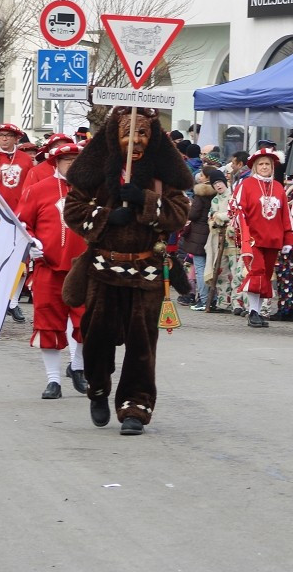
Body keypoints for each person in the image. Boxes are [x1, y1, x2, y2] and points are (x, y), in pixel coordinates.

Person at [62, 107, 193, 434]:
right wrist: (106, 217)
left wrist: (146, 200)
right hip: (103, 270)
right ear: (113, 136)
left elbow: (179, 213)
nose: (135, 140)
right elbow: (73, 211)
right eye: (128, 133)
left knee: (142, 345)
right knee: (96, 338)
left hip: (146, 272)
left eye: (143, 134)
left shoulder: (163, 177)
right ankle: (98, 389)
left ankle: (135, 406)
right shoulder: (93, 175)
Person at [16, 142, 88, 400]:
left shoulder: (93, 190)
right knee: (48, 323)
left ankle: (77, 366)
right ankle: (53, 380)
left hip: (84, 269)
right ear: (55, 163)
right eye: (66, 159)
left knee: (86, 322)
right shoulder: (37, 190)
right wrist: (31, 242)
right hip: (48, 267)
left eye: (75, 159)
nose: (71, 164)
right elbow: (23, 222)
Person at [0, 123, 35, 323]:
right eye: (1, 135)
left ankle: (12, 302)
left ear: (16, 138)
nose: (4, 139)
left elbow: (32, 188)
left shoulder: (26, 160)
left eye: (9, 135)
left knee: (21, 262)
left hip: (20, 218)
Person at [230, 148, 293, 327]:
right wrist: (243, 235)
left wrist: (288, 239)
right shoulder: (246, 185)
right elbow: (237, 210)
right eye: (261, 164)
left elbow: (285, 216)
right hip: (253, 240)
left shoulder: (279, 187)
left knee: (265, 276)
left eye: (268, 164)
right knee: (256, 273)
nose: (265, 167)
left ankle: (256, 313)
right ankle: (253, 312)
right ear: (255, 167)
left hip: (273, 240)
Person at [203, 169, 242, 313]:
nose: (218, 186)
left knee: (236, 272)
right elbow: (211, 217)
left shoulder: (234, 196)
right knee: (221, 272)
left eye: (220, 182)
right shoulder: (215, 200)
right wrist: (215, 219)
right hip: (219, 240)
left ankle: (237, 303)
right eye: (215, 184)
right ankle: (223, 302)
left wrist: (220, 217)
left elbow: (235, 214)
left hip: (234, 240)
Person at [184, 169, 216, 311]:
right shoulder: (217, 192)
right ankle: (212, 299)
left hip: (198, 233)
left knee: (200, 267)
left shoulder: (200, 193)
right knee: (211, 267)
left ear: (207, 177)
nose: (200, 177)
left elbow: (193, 214)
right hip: (211, 232)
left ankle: (203, 299)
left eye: (202, 175)